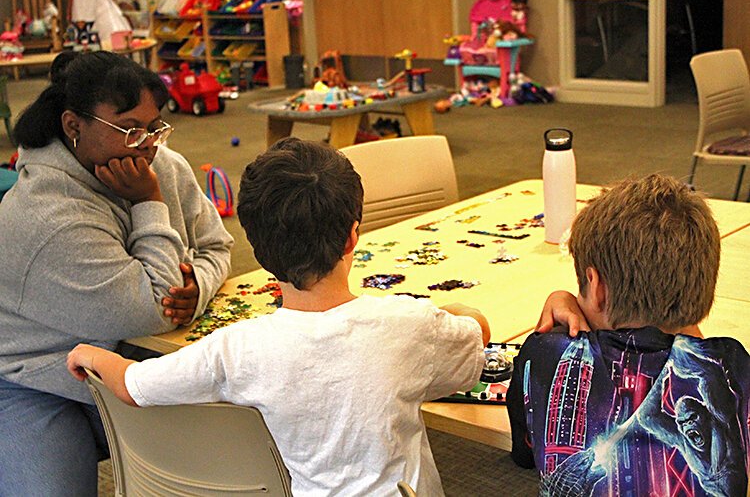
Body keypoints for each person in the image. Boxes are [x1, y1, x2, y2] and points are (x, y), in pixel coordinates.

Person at [67, 137, 491, 496]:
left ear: (259, 248)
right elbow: (475, 342)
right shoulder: (408, 324)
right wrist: (451, 310)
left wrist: (91, 355)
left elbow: (132, 385)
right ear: (351, 237)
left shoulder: (235, 348)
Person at [0, 51, 233, 495]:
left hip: (121, 359)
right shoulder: (47, 215)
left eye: (153, 126)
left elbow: (216, 244)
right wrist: (149, 202)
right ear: (74, 127)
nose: (147, 143)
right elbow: (153, 310)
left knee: (229, 440)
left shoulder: (161, 163)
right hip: (32, 378)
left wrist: (197, 286)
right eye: (129, 129)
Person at [506, 174, 750, 496]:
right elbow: (690, 349)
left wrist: (562, 301)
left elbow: (524, 455)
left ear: (595, 285)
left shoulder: (546, 352)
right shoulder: (732, 365)